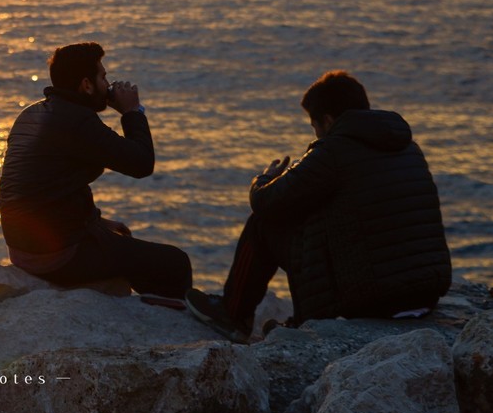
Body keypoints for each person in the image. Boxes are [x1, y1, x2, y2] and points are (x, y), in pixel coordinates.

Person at [186, 71, 452, 342]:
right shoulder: (408, 147)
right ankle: (296, 319)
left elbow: (266, 202)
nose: (315, 134)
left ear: (327, 120)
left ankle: (233, 315)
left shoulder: (334, 151)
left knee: (262, 224)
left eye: (314, 126)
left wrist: (266, 178)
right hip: (425, 293)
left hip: (372, 298)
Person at [0, 42, 192, 299]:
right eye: (103, 77)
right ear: (87, 85)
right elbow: (141, 164)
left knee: (127, 245)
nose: (109, 84)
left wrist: (96, 222)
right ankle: (171, 327)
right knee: (174, 263)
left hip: (25, 247)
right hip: (55, 255)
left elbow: (52, 187)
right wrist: (133, 112)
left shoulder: (34, 113)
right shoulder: (76, 122)